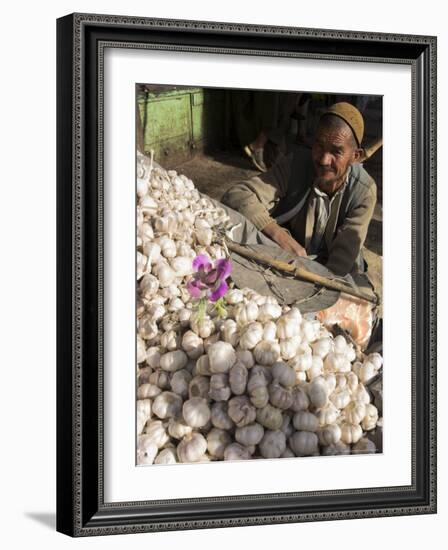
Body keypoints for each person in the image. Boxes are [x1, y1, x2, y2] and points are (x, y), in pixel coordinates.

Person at [220, 102, 377, 280]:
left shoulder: (364, 191)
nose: (324, 160)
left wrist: (317, 285)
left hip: (331, 271)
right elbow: (237, 195)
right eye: (319, 146)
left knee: (354, 288)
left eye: (336, 151)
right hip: (290, 257)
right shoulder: (295, 164)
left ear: (355, 156)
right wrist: (278, 235)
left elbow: (340, 262)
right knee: (238, 227)